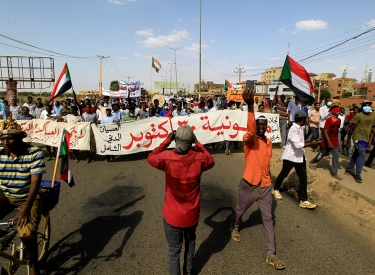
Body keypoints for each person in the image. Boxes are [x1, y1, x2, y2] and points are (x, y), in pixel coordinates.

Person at [147, 125, 215, 275]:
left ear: (175, 140)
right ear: (191, 142)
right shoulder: (200, 159)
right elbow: (210, 159)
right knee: (190, 243)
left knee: (173, 251)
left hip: (172, 217)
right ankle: (188, 271)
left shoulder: (167, 158)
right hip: (191, 215)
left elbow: (151, 157)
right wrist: (198, 143)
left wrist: (166, 140)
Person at [230, 88, 285, 270]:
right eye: (258, 125)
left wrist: (270, 182)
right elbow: (251, 129)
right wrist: (250, 107)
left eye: (263, 125)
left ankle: (271, 254)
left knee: (268, 219)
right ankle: (235, 225)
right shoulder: (249, 139)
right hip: (249, 184)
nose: (261, 127)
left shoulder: (269, 142)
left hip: (265, 186)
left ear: (266, 127)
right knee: (240, 210)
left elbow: (266, 164)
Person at [0, 118, 46, 275]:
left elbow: (35, 182)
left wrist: (26, 208)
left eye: (10, 138)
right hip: (5, 194)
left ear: (21, 138)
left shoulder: (35, 153)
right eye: (3, 138)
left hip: (28, 197)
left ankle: (34, 266)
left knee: (26, 235)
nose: (6, 142)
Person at [273, 110, 319, 208]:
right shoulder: (293, 129)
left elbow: (301, 142)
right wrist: (311, 144)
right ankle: (276, 189)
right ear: (303, 119)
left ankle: (303, 200)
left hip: (299, 156)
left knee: (303, 177)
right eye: (306, 118)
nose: (307, 120)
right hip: (290, 156)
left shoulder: (301, 128)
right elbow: (297, 144)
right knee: (284, 174)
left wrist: (312, 143)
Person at [309, 106, 343, 180]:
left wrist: (337, 140)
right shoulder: (328, 120)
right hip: (327, 140)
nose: (339, 112)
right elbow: (325, 132)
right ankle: (313, 162)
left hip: (335, 141)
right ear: (333, 112)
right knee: (322, 153)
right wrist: (329, 142)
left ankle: (334, 173)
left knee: (336, 156)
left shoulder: (339, 120)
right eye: (337, 111)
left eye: (339, 111)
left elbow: (337, 131)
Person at [345, 100, 375, 183]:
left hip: (365, 138)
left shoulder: (373, 115)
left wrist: (371, 139)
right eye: (366, 105)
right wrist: (348, 141)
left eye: (369, 105)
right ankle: (358, 174)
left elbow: (372, 127)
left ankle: (349, 168)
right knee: (362, 153)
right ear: (362, 107)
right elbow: (352, 129)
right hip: (357, 137)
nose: (368, 107)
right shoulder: (359, 116)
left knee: (357, 153)